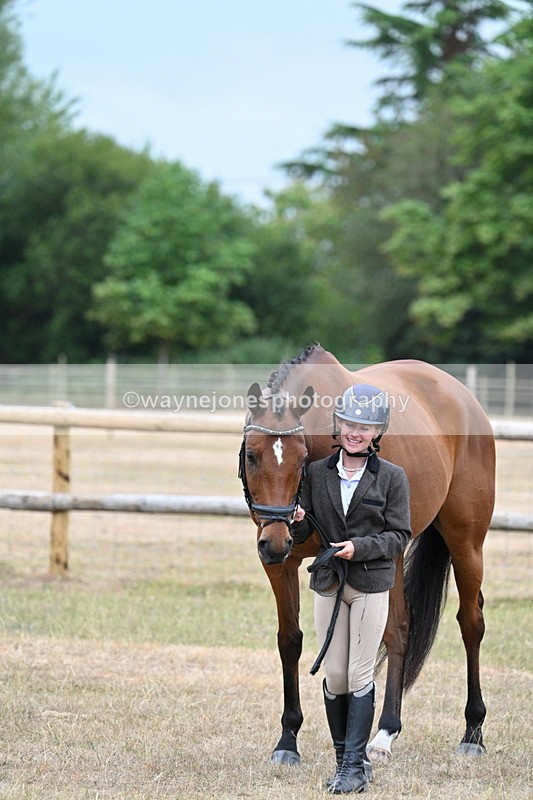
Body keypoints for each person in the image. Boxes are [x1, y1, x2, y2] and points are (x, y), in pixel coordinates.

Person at [291, 384, 411, 794]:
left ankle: (354, 768)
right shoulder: (315, 473)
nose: (355, 432)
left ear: (377, 432)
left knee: (359, 672)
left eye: (365, 427)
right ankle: (344, 758)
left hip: (370, 583)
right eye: (349, 424)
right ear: (338, 425)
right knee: (336, 674)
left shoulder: (392, 477)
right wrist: (298, 521)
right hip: (329, 583)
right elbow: (306, 534)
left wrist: (359, 548)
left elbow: (399, 536)